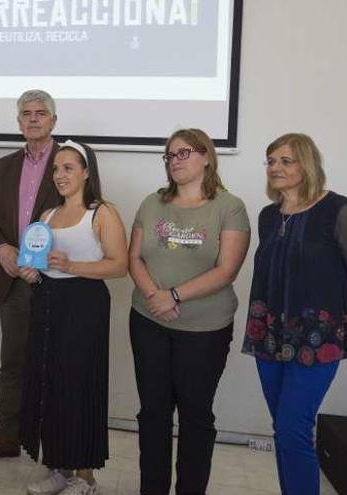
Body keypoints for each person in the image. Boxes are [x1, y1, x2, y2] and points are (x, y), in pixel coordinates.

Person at [242, 133, 347, 495]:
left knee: (293, 428)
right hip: (269, 333)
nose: (275, 168)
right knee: (283, 429)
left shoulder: (337, 209)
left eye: (286, 161)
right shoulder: (269, 216)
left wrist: (346, 327)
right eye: (270, 161)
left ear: (307, 163)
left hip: (318, 337)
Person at [127, 128, 250, 495]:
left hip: (205, 331)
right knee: (153, 414)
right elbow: (134, 257)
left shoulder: (229, 207)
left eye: (183, 153)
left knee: (195, 417)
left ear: (206, 156)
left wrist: (174, 295)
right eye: (170, 155)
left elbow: (227, 270)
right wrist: (154, 295)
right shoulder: (152, 203)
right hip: (148, 322)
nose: (175, 161)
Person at [18, 141, 128, 495]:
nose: (60, 175)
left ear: (86, 172)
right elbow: (40, 262)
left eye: (68, 168)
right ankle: (58, 468)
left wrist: (72, 266)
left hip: (85, 306)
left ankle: (86, 476)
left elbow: (119, 264)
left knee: (80, 386)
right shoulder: (47, 216)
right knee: (50, 386)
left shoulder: (102, 213)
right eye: (56, 169)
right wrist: (31, 272)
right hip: (47, 303)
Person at [0, 89, 62, 462]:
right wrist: (2, 250)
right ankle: (7, 436)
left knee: (56, 365)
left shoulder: (70, 160)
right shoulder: (6, 164)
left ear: (53, 120)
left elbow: (86, 212)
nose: (33, 119)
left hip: (57, 279)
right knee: (12, 364)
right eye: (26, 113)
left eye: (41, 113)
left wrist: (46, 261)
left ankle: (54, 445)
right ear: (19, 121)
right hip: (12, 277)